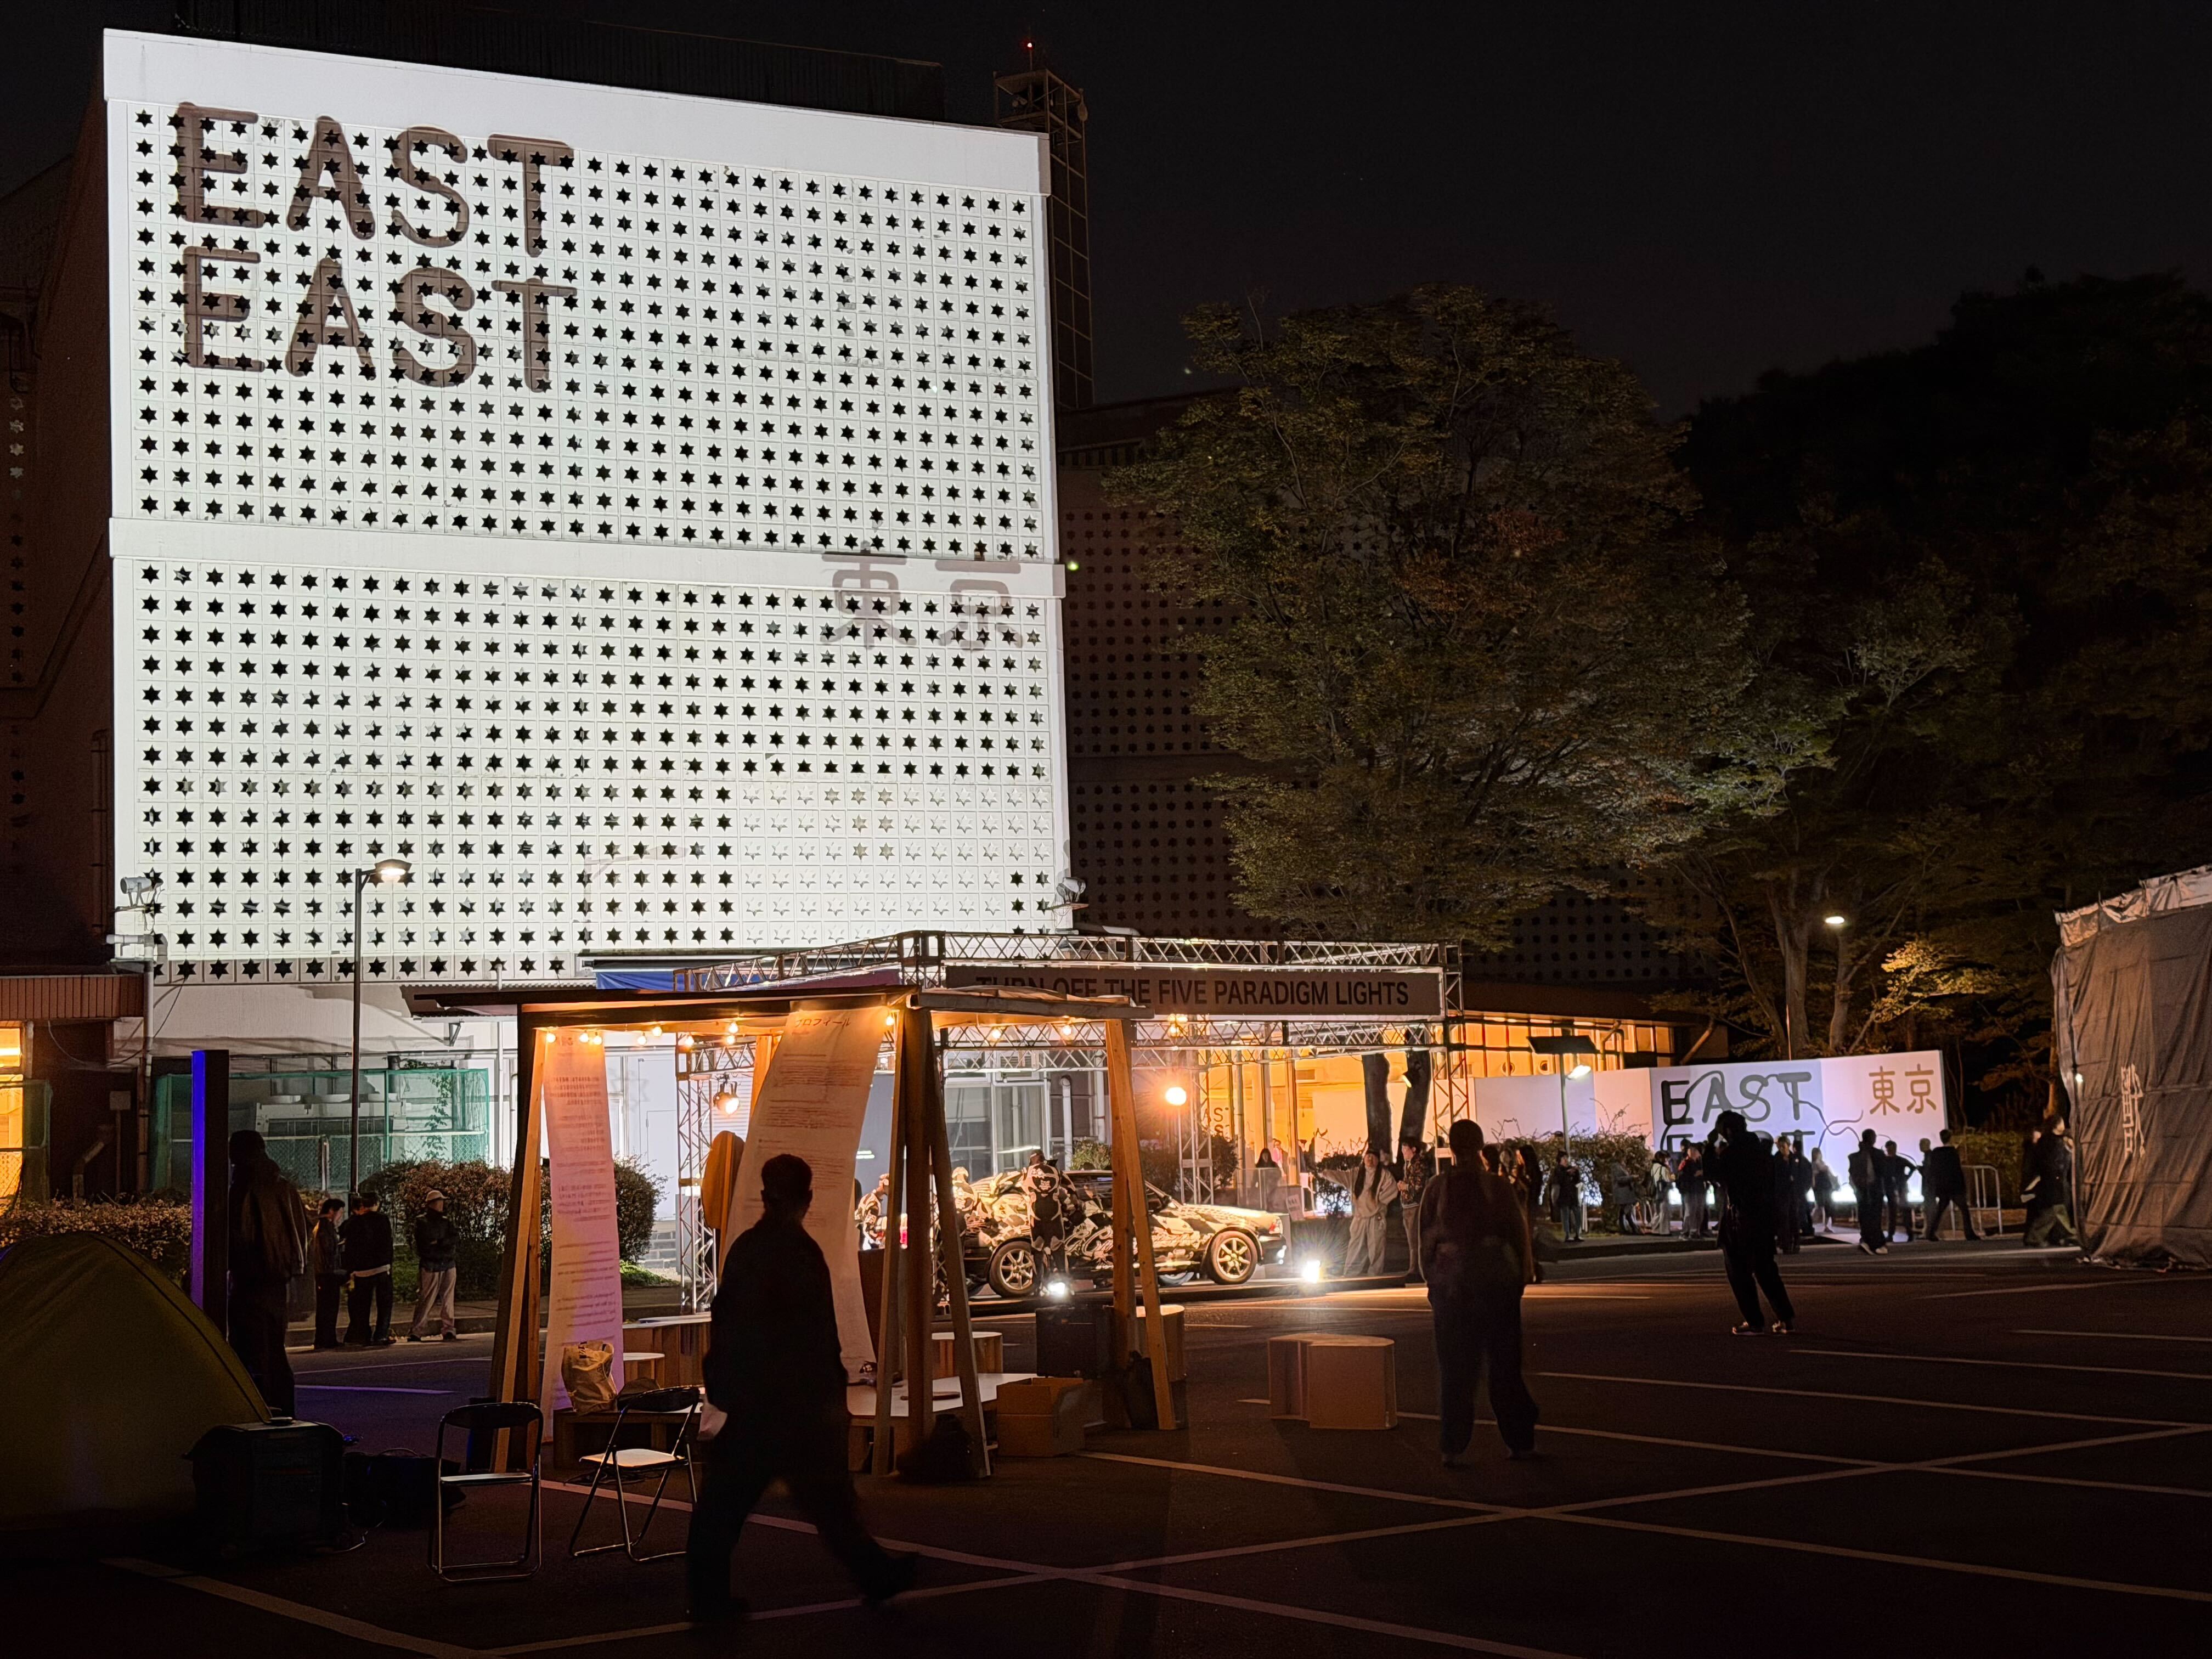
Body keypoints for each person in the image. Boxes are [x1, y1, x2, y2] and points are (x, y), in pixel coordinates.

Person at [687, 1153, 915, 1622]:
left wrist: (724, 1388)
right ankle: (877, 1576)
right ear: (807, 1198)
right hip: (799, 1406)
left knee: (721, 1509)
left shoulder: (747, 1250)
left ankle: (709, 1600)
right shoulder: (803, 1253)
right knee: (830, 1504)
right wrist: (833, 1399)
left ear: (765, 1195)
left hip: (753, 1404)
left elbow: (728, 1324)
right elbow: (818, 1337)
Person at [1419, 1120, 1541, 1465]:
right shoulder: (1497, 1188)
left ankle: (1453, 1447)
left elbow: (1424, 1241)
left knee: (1456, 1373)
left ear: (1451, 1147)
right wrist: (1522, 1278)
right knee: (1504, 1368)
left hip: (1452, 1290)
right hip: (1496, 1286)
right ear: (1480, 1144)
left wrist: (1433, 1283)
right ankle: (1519, 1442)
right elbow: (1518, 1236)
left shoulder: (1437, 1188)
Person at [225, 1130, 308, 1414]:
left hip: (251, 1283)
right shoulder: (283, 1187)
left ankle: (260, 1414)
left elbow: (235, 1240)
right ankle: (285, 1413)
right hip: (279, 1282)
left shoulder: (243, 1187)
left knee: (251, 1355)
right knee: (274, 1352)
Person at [1705, 1110, 1796, 1335]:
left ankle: (1754, 1321)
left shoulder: (1733, 1154)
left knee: (1739, 1273)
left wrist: (1709, 1148)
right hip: (1764, 1219)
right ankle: (1786, 1317)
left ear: (1727, 1130)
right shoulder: (1763, 1153)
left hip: (1740, 1221)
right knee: (1767, 1270)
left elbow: (1712, 1173)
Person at [341, 1189, 396, 1345]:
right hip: (381, 1268)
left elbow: (349, 1248)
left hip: (361, 1271)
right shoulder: (383, 1220)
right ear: (377, 1204)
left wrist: (351, 1269)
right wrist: (389, 1263)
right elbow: (387, 1244)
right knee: (384, 1304)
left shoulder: (353, 1223)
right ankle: (381, 1334)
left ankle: (363, 1334)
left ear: (363, 1205)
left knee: (362, 1305)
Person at [408, 1188, 461, 1341]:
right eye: (440, 1201)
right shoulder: (424, 1221)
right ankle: (418, 1330)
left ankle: (446, 1329)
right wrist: (442, 1244)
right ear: (433, 1203)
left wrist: (438, 1243)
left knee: (445, 1299)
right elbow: (426, 1242)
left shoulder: (444, 1221)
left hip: (443, 1262)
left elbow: (453, 1239)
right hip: (433, 1263)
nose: (442, 1204)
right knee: (428, 1298)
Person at [2022, 1120, 2082, 1248]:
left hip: (2053, 1183)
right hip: (2054, 1183)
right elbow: (2057, 1163)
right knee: (2055, 1211)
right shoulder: (2054, 1143)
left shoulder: (2047, 1142)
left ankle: (2062, 1236)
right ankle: (2038, 1237)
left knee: (2055, 1211)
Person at [1343, 1148, 1399, 1277]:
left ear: (1378, 1160)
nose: (1370, 1159)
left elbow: (1393, 1189)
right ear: (1364, 1159)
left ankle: (1375, 1273)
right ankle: (1350, 1273)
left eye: (1373, 1157)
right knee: (1356, 1246)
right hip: (1360, 1217)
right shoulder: (1357, 1173)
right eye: (1368, 1156)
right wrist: (1325, 1173)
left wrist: (1378, 1202)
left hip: (1376, 1217)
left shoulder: (1384, 1175)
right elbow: (1343, 1177)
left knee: (1377, 1247)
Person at [1919, 1130, 1979, 1240]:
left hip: (1943, 1187)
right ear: (1950, 1138)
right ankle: (1969, 1233)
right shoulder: (1953, 1152)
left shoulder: (1936, 1153)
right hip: (1954, 1186)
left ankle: (1931, 1233)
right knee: (1964, 1210)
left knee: (1940, 1210)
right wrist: (1962, 1186)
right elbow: (1957, 1171)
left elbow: (1934, 1170)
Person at [310, 1196, 347, 1350]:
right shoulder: (325, 1228)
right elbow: (328, 1252)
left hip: (325, 1274)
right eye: (340, 1212)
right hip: (327, 1274)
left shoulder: (323, 1227)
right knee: (328, 1308)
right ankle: (326, 1339)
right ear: (332, 1211)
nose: (341, 1216)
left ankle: (325, 1338)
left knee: (327, 1308)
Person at [1397, 1137, 1432, 1283]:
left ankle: (1416, 1270)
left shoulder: (1419, 1164)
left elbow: (1419, 1186)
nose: (1403, 1152)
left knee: (1415, 1238)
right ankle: (1414, 1268)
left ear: (1413, 1149)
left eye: (1406, 1149)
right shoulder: (1409, 1164)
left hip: (1415, 1205)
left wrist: (1405, 1187)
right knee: (1412, 1239)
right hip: (1407, 1205)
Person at [1848, 1130, 1888, 1255]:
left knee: (1865, 1216)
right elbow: (1883, 1173)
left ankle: (1867, 1240)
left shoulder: (1854, 1156)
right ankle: (1875, 1243)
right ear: (1872, 1139)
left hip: (1861, 1191)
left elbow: (1852, 1174)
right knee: (1875, 1217)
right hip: (1874, 1190)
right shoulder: (1878, 1154)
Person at [1882, 1139, 1918, 1243]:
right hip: (1897, 1188)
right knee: (1897, 1212)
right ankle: (1905, 1233)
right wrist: (1906, 1177)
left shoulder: (1888, 1161)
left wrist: (1906, 1178)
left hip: (1896, 1188)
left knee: (1895, 1212)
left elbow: (1912, 1167)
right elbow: (1913, 1167)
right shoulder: (1899, 1160)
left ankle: (1897, 1234)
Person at [1772, 1137, 1803, 1255]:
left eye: (1783, 1146)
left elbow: (1799, 1175)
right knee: (1784, 1219)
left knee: (1794, 1218)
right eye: (1779, 1146)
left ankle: (1796, 1242)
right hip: (1782, 1194)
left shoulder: (1795, 1158)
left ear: (1788, 1146)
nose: (1781, 1149)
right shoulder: (1777, 1158)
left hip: (1793, 1193)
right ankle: (1786, 1243)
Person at [1548, 1152, 1584, 1243]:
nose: (1566, 1160)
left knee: (1578, 1213)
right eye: (1564, 1158)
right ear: (1560, 1160)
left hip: (1572, 1195)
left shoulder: (1569, 1169)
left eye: (1567, 1158)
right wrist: (1567, 1173)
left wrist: (1576, 1173)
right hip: (1563, 1196)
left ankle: (1577, 1234)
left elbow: (1577, 1181)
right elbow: (1558, 1181)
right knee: (1565, 1215)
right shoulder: (1558, 1170)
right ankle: (1567, 1235)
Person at [1675, 1143, 1708, 1239]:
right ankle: (1686, 1232)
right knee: (1690, 1212)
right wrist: (1695, 1176)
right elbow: (1681, 1177)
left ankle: (1695, 1232)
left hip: (1699, 1191)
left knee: (1699, 1212)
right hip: (1690, 1191)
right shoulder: (1686, 1163)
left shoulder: (1699, 1163)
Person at [1605, 1158, 1641, 1234]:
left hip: (1625, 1193)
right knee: (1626, 1211)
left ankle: (1625, 1228)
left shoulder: (1621, 1166)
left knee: (1624, 1211)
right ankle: (1632, 1228)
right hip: (1622, 1192)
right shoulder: (1616, 1167)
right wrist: (1632, 1178)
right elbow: (1620, 1180)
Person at [1646, 1148, 1673, 1235]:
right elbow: (1662, 1181)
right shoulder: (1661, 1168)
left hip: (1658, 1193)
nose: (1665, 1160)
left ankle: (1657, 1229)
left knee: (1659, 1212)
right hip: (1662, 1192)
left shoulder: (1654, 1166)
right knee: (1664, 1212)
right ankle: (1664, 1231)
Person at [1809, 1147, 1837, 1231]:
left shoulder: (1822, 1164)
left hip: (1826, 1187)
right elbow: (1815, 1175)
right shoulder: (1814, 1165)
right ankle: (1809, 1223)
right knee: (1820, 1207)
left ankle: (1827, 1226)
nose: (1817, 1155)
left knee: (1828, 1206)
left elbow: (1827, 1172)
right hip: (1820, 1188)